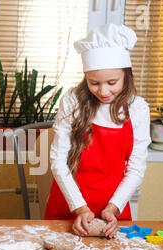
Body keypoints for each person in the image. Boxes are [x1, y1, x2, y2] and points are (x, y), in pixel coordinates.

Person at [45, 24, 151, 238]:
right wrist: (80, 207)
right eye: (94, 83)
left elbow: (136, 168)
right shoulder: (72, 101)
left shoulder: (137, 108)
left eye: (112, 82)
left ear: (126, 76)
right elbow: (58, 161)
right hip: (68, 203)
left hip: (112, 206)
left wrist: (113, 207)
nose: (103, 91)